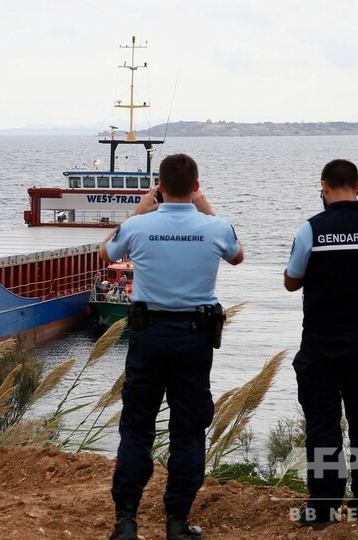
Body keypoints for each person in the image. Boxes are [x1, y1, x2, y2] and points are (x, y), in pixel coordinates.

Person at [100, 153, 244, 540]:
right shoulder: (215, 227)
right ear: (196, 186)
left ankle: (126, 521)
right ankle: (177, 522)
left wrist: (138, 210)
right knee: (189, 430)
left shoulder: (138, 226)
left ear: (160, 187)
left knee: (136, 428)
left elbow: (105, 254)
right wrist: (205, 205)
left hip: (148, 337)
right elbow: (237, 255)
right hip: (194, 339)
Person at [284, 159, 358, 525]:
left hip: (322, 344)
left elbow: (291, 281)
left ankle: (323, 509)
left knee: (323, 426)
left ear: (324, 186)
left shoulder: (311, 230)